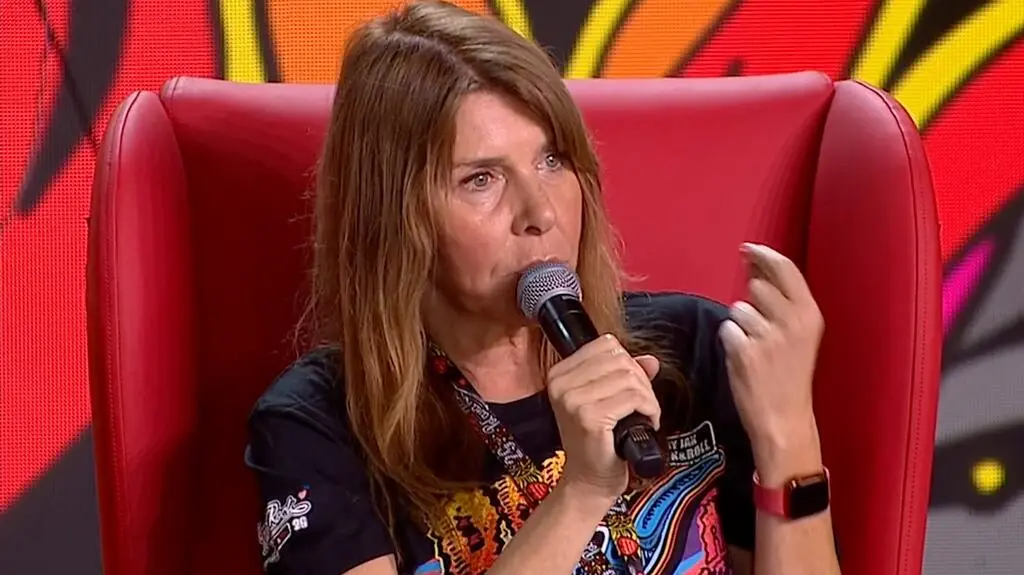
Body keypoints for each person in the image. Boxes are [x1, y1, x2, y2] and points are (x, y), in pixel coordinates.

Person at [245, 2, 841, 574]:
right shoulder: (315, 424)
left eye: (552, 160)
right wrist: (581, 492)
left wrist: (788, 435)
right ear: (394, 218)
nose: (541, 211)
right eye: (482, 179)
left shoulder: (694, 348)